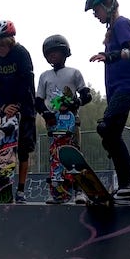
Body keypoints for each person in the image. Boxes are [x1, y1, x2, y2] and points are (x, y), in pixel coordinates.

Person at [85, 0, 130, 204]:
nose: (95, 14)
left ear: (108, 4)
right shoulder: (112, 33)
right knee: (110, 135)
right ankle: (126, 188)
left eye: (96, 9)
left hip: (128, 88)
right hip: (118, 91)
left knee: (107, 127)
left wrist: (110, 56)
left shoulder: (122, 23)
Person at [36, 34, 92, 205]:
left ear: (65, 53)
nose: (52, 56)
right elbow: (38, 101)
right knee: (55, 157)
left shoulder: (74, 73)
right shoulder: (44, 76)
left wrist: (77, 102)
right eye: (49, 54)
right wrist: (45, 113)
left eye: (56, 52)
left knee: (74, 155)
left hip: (71, 121)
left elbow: (86, 95)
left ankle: (79, 192)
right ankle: (58, 193)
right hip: (53, 123)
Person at [0, 20, 36, 204]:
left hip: (25, 107)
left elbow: (27, 83)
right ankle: (3, 186)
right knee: (6, 147)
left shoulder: (21, 53)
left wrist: (18, 106)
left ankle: (21, 191)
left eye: (1, 46)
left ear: (10, 41)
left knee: (23, 149)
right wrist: (3, 106)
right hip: (6, 109)